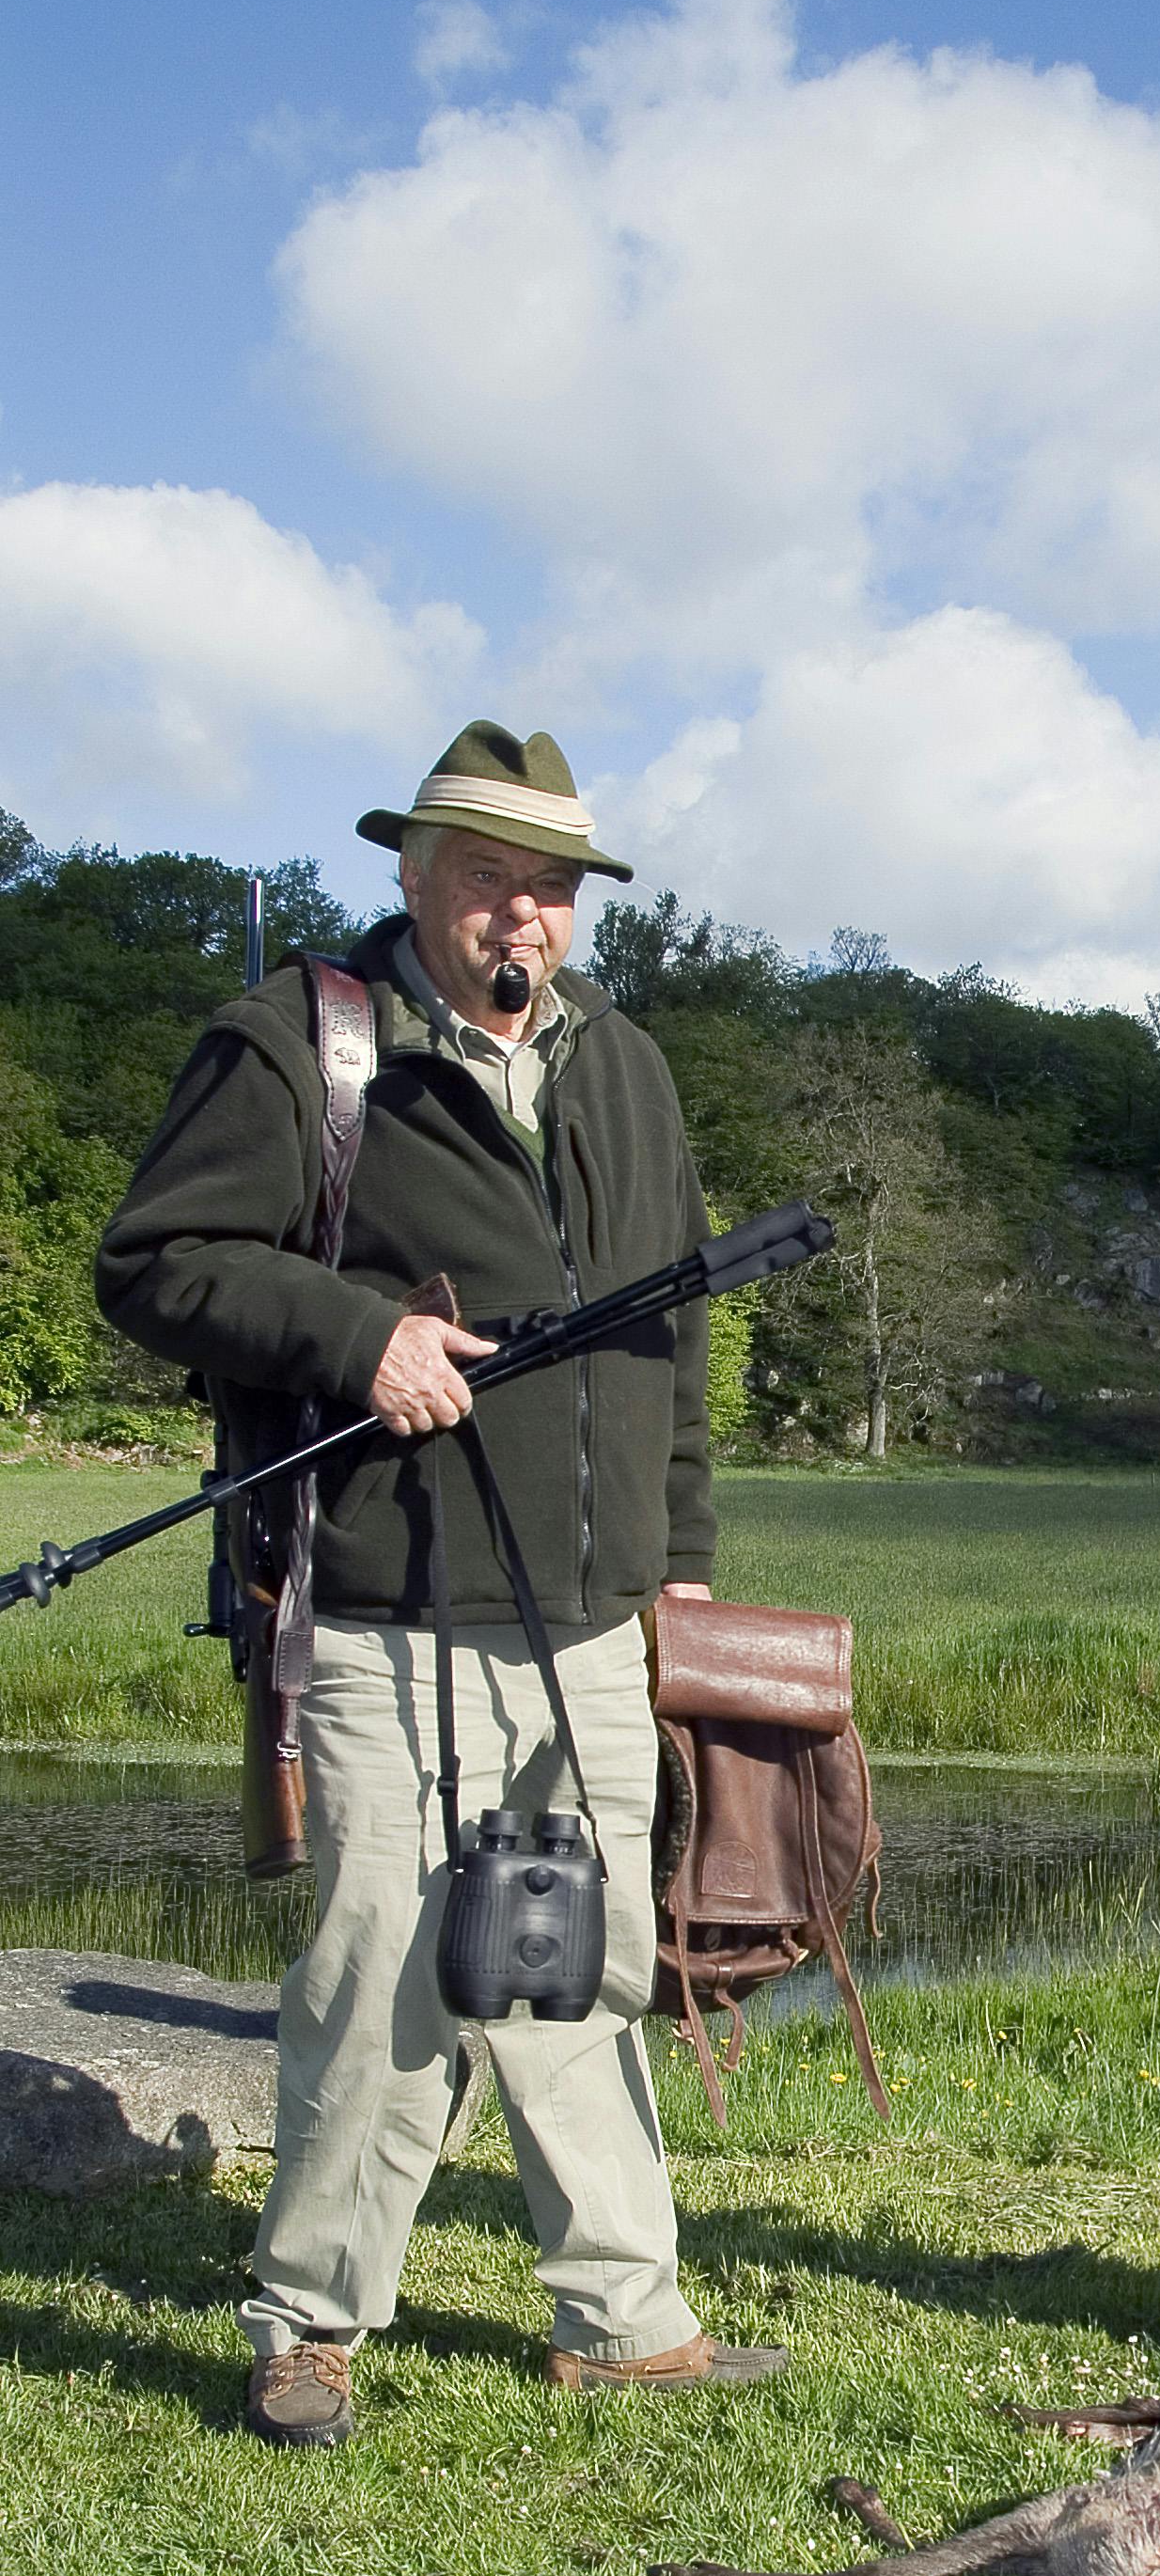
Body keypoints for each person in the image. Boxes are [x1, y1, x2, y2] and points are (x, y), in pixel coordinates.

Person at [97, 721, 787, 2449]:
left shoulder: (626, 1067)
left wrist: (676, 1578)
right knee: (382, 1971)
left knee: (590, 1960)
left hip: (595, 1617)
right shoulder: (301, 1048)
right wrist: (361, 1337)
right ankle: (311, 2320)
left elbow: (672, 1351)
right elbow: (156, 1265)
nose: (523, 918)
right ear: (413, 874)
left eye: (551, 888)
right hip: (386, 1604)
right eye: (490, 879)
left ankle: (623, 2315)